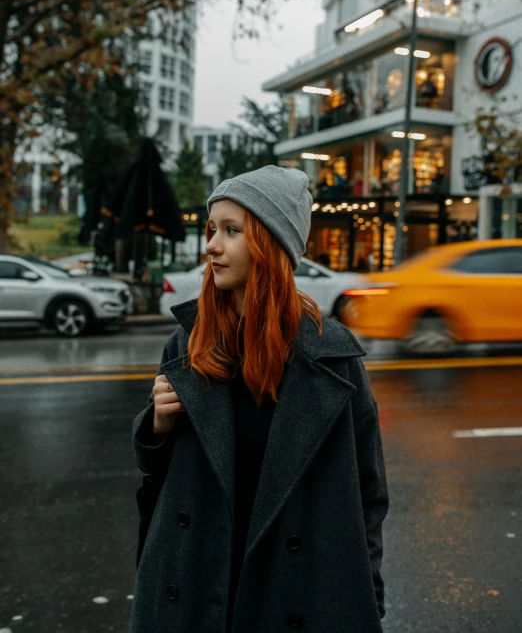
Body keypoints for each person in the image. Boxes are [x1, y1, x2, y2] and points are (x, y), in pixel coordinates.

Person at [129, 165, 389, 633]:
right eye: (213, 230)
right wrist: (156, 428)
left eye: (231, 231)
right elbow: (159, 476)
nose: (211, 245)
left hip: (295, 589)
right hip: (197, 582)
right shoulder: (189, 343)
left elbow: (368, 492)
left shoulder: (332, 356)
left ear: (271, 246)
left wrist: (366, 590)